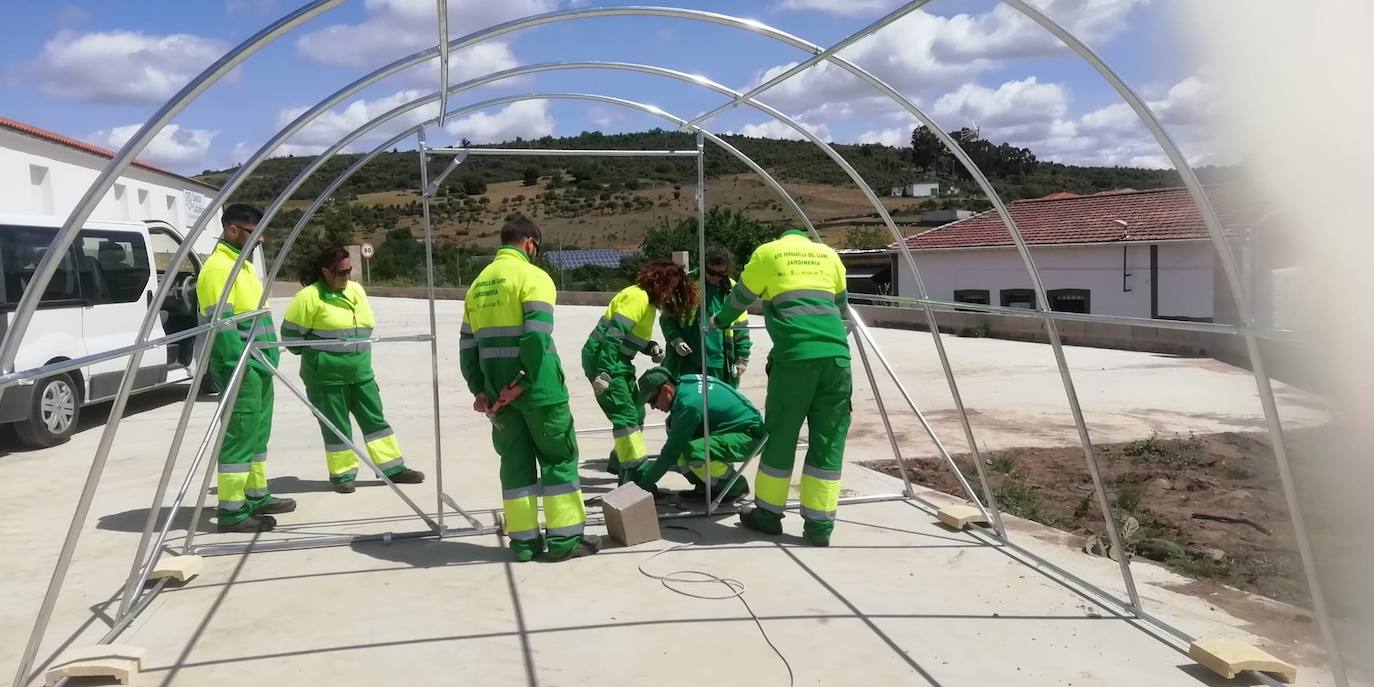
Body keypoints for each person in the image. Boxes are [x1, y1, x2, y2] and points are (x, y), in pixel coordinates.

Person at [460, 214, 598, 562]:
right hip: (538, 392)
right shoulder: (534, 277)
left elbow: (466, 344)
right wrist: (522, 382)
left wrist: (480, 389)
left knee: (515, 466)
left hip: (496, 397)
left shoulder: (477, 286)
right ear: (530, 243)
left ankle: (523, 543)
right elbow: (536, 335)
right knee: (558, 458)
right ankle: (565, 540)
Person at [710, 228, 851, 547]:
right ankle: (819, 528)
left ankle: (768, 515)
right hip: (838, 361)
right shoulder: (829, 255)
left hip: (795, 360)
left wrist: (719, 321)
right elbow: (843, 309)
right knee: (828, 442)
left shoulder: (768, 253)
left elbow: (739, 299)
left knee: (781, 437)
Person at [281, 246, 425, 494]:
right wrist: (321, 358)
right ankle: (343, 476)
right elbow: (291, 337)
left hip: (360, 373)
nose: (346, 277)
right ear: (325, 271)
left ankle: (392, 468)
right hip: (326, 378)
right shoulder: (309, 297)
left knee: (375, 421)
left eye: (349, 271)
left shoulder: (356, 290)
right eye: (340, 272)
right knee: (336, 426)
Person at [197, 203, 296, 533]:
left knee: (257, 434)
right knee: (239, 436)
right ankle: (232, 510)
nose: (261, 240)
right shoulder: (217, 269)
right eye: (255, 232)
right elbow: (222, 327)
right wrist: (237, 367)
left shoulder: (243, 267)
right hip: (240, 366)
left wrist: (268, 360)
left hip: (259, 365)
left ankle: (255, 494)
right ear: (232, 231)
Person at [580, 261, 698, 479]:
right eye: (669, 287)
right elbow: (614, 335)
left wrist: (650, 347)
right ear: (658, 282)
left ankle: (620, 464)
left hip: (619, 360)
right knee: (625, 417)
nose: (670, 293)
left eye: (674, 288)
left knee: (637, 410)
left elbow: (630, 336)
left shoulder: (648, 304)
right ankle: (635, 477)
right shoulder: (638, 298)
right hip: (605, 358)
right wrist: (604, 372)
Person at [628, 367, 763, 504]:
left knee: (692, 451)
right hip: (734, 428)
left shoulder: (688, 406)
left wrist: (643, 487)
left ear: (666, 390)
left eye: (652, 400)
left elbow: (670, 454)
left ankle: (735, 487)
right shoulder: (685, 383)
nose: (652, 407)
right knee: (674, 428)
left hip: (749, 436)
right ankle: (706, 486)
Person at [659, 243, 752, 387]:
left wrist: (742, 358)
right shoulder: (685, 285)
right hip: (688, 362)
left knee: (718, 406)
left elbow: (741, 326)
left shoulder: (731, 289)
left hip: (719, 363)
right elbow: (667, 318)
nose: (715, 277)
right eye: (711, 272)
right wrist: (675, 339)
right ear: (703, 265)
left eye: (720, 274)